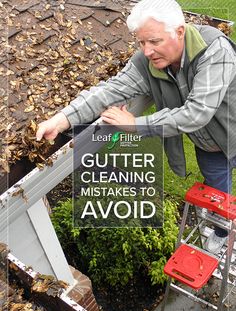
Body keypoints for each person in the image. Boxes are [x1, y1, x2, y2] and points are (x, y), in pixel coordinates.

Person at [36, 0, 236, 254]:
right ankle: (222, 232)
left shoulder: (213, 50)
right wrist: (61, 119)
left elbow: (197, 113)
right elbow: (110, 90)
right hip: (209, 147)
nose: (148, 51)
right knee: (218, 196)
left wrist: (136, 125)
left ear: (180, 31)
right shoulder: (147, 62)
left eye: (154, 41)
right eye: (141, 43)